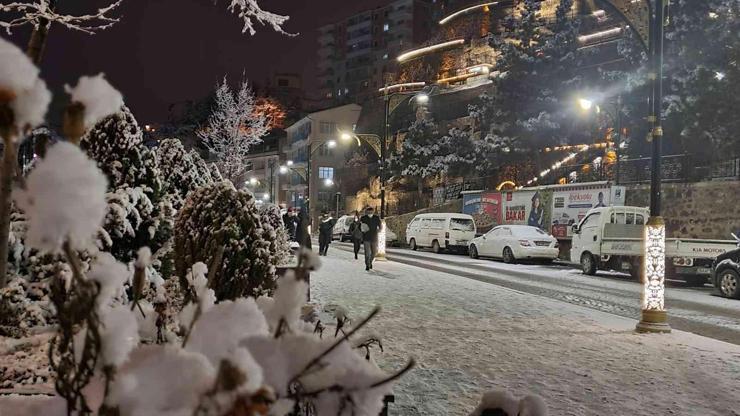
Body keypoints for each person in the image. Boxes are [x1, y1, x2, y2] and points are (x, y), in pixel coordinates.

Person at [360, 207, 382, 271]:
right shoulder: (363, 218)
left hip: (374, 237)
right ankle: (367, 265)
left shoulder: (376, 218)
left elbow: (380, 226)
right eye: (369, 212)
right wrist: (362, 230)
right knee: (367, 253)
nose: (370, 213)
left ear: (373, 212)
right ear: (367, 212)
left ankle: (370, 262)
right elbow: (360, 226)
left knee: (374, 253)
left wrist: (379, 230)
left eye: (371, 212)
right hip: (366, 238)